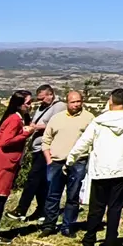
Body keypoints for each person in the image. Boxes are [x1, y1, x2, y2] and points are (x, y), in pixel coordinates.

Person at [69, 88, 123, 246]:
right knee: (115, 208)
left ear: (110, 101)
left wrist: (71, 158)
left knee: (96, 207)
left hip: (101, 170)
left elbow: (84, 141)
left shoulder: (99, 121)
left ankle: (89, 243)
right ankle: (111, 245)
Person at [0, 91, 37, 242]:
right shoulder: (14, 120)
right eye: (28, 103)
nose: (30, 106)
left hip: (3, 162)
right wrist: (26, 133)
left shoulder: (14, 118)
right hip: (6, 164)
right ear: (19, 104)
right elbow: (6, 141)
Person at [41, 89, 94, 237]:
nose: (76, 105)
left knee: (73, 196)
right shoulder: (56, 118)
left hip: (78, 163)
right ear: (67, 102)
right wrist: (49, 161)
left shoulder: (89, 118)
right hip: (56, 162)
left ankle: (67, 226)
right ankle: (49, 225)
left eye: (79, 101)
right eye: (73, 102)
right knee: (52, 195)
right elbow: (46, 140)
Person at [11, 83, 62, 222]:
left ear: (51, 95)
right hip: (37, 147)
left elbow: (56, 124)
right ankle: (42, 210)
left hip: (45, 148)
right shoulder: (42, 107)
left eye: (43, 98)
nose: (40, 101)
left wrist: (36, 127)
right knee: (41, 182)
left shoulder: (58, 107)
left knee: (33, 179)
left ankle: (21, 209)